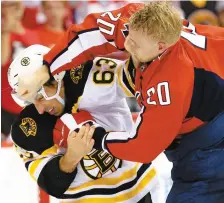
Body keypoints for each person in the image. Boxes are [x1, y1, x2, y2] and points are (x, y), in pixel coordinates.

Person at [10, 2, 224, 202]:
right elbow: (50, 183)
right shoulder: (135, 23)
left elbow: (143, 146)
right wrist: (49, 65)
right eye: (27, 98)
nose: (126, 46)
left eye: (38, 95)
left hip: (148, 183)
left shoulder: (166, 82)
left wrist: (98, 137)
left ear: (160, 47)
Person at [9, 44, 163, 203]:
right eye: (31, 101)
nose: (39, 110)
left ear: (56, 77)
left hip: (137, 192)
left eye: (40, 97)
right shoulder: (27, 128)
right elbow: (51, 184)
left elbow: (145, 78)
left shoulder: (89, 74)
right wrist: (70, 158)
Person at [1, 1, 40, 139]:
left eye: (11, 6)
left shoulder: (32, 34)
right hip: (4, 105)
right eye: (3, 6)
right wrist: (5, 30)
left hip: (27, 105)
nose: (7, 10)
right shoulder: (4, 35)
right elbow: (2, 59)